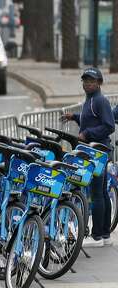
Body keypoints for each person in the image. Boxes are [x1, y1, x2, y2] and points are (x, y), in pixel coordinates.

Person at [61, 67, 115, 247]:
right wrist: (74, 117)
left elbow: (108, 126)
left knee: (96, 193)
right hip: (97, 151)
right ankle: (105, 235)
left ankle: (98, 236)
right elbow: (91, 118)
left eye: (91, 81)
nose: (87, 84)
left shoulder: (100, 100)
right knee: (101, 194)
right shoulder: (90, 100)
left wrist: (86, 134)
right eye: (85, 81)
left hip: (98, 152)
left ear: (99, 83)